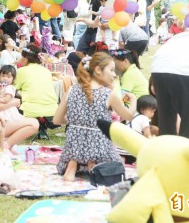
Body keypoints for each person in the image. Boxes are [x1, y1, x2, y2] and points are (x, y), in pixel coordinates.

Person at [54, 53, 136, 181]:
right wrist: (134, 99)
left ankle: (73, 163)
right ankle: (93, 165)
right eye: (112, 70)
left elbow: (57, 120)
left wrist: (76, 122)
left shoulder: (71, 90)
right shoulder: (108, 94)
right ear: (98, 70)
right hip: (99, 148)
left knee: (78, 145)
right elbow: (128, 116)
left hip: (73, 146)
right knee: (118, 165)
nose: (115, 75)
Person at [13, 44, 58, 118]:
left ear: (26, 59)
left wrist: (13, 63)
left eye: (22, 57)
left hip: (30, 111)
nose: (20, 60)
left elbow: (12, 89)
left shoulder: (21, 71)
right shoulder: (46, 71)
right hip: (53, 111)